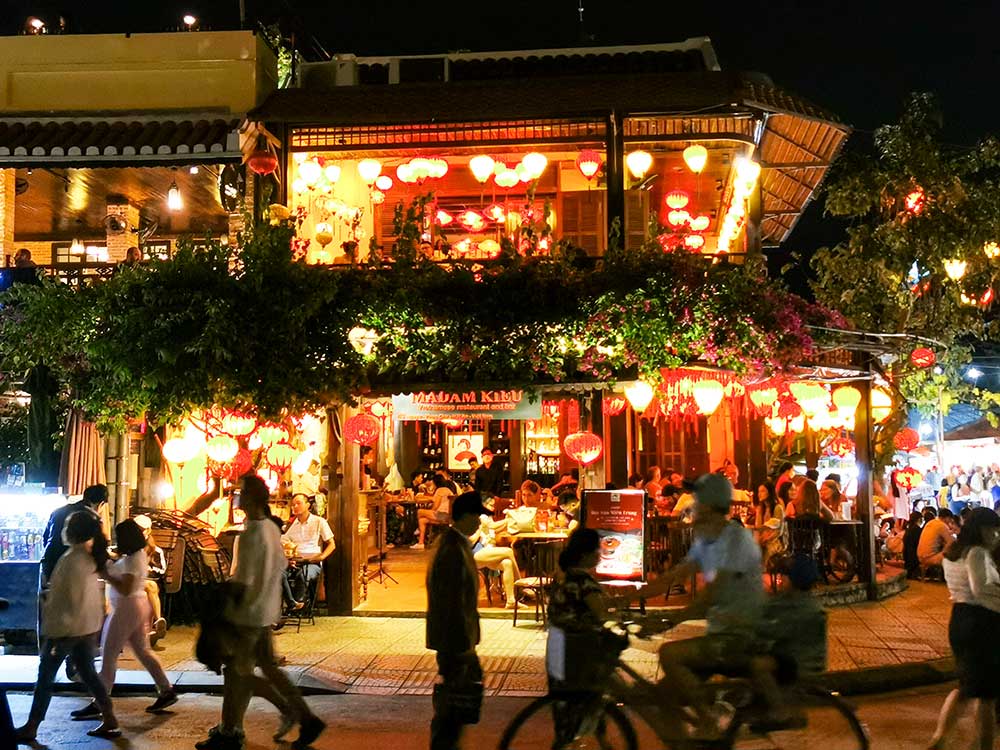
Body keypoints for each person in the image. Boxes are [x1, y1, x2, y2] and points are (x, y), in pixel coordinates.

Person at [633, 474, 769, 737]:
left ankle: (709, 722)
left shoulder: (735, 539)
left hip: (740, 635)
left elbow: (712, 594)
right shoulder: (710, 539)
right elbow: (675, 575)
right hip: (723, 632)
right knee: (664, 696)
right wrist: (621, 598)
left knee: (670, 654)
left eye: (698, 500)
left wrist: (669, 621)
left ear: (709, 504)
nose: (693, 505)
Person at [196, 475, 324, 750]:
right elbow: (277, 569)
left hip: (249, 616)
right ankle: (300, 718)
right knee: (266, 669)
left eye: (241, 492)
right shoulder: (270, 529)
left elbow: (244, 581)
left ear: (250, 499)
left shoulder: (252, 533)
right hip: (267, 611)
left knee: (239, 673)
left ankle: (239, 728)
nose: (238, 497)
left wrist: (224, 613)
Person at [15, 512, 119, 742]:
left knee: (45, 677)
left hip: (67, 629)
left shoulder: (73, 560)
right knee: (88, 673)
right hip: (85, 627)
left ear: (72, 532)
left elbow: (69, 600)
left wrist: (54, 625)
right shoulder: (87, 558)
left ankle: (32, 726)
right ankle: (109, 715)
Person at [71, 519, 176, 720]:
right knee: (143, 651)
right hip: (134, 606)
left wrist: (106, 574)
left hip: (126, 608)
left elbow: (125, 588)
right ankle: (166, 690)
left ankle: (100, 701)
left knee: (108, 653)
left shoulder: (134, 559)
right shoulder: (136, 555)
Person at [929, 508, 1000, 750]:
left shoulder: (952, 552)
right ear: (982, 529)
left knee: (966, 686)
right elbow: (981, 590)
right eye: (993, 529)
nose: (996, 534)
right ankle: (984, 746)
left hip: (959, 618)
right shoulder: (977, 553)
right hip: (981, 622)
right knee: (987, 695)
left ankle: (940, 738)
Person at [426, 492, 486, 750]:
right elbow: (451, 600)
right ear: (466, 517)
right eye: (477, 516)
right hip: (454, 638)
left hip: (455, 636)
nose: (480, 522)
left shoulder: (454, 543)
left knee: (454, 702)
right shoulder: (453, 548)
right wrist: (464, 644)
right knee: (453, 703)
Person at [40, 484, 109, 584]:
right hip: (73, 568)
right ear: (101, 504)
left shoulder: (57, 511)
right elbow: (97, 549)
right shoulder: (92, 518)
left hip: (49, 562)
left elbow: (46, 538)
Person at [280, 494, 335, 604]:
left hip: (312, 563)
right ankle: (292, 604)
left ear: (308, 505)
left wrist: (321, 557)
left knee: (303, 575)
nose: (295, 506)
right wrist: (288, 558)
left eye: (298, 503)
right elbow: (283, 542)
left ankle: (299, 604)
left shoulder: (319, 521)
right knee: (279, 574)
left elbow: (332, 544)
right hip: (295, 562)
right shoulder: (292, 524)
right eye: (293, 504)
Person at [469, 510, 520, 608]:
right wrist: (479, 529)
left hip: (483, 551)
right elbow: (470, 541)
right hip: (473, 554)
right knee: (508, 551)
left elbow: (493, 528)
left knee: (507, 563)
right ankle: (521, 585)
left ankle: (511, 601)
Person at [133, 514, 168, 645]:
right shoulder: (127, 547)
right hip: (130, 581)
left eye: (141, 529)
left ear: (148, 530)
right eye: (136, 529)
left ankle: (158, 623)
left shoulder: (155, 551)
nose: (139, 532)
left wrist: (146, 569)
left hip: (146, 581)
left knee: (151, 586)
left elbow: (161, 570)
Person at [413, 474, 455, 549]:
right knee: (422, 520)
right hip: (447, 516)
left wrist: (429, 512)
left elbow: (436, 506)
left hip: (442, 515)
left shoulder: (440, 490)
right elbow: (433, 499)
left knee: (420, 511)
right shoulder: (447, 490)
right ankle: (421, 543)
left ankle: (418, 529)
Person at [902, 511, 925, 578]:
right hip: (914, 557)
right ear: (919, 519)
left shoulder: (908, 529)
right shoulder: (917, 530)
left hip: (907, 556)